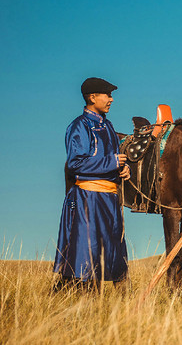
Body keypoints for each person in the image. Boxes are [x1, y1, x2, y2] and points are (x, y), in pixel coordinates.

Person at [53, 77, 131, 291]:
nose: (111, 99)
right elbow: (75, 163)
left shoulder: (108, 126)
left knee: (113, 253)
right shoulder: (79, 126)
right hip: (88, 199)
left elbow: (110, 162)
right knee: (86, 255)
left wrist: (121, 169)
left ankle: (119, 307)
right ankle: (80, 301)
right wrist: (112, 162)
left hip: (110, 200)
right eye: (107, 95)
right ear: (92, 97)